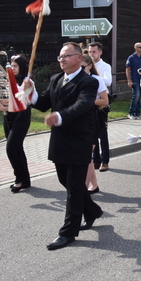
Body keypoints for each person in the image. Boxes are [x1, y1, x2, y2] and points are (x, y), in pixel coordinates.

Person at [23, 42, 102, 250]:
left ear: (78, 58)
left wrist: (60, 116)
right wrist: (31, 93)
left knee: (74, 188)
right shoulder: (56, 79)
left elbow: (83, 105)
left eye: (66, 56)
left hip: (79, 139)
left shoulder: (89, 82)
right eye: (60, 57)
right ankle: (92, 210)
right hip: (60, 139)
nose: (62, 60)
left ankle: (68, 233)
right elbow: (43, 103)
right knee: (64, 180)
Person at [0, 54, 32, 193]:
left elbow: (23, 102)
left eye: (15, 66)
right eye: (11, 66)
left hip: (21, 116)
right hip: (8, 116)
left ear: (22, 67)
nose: (13, 68)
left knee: (11, 148)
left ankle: (19, 179)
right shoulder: (8, 80)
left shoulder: (27, 82)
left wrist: (6, 107)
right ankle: (25, 179)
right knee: (17, 149)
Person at [82, 55, 109, 194]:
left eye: (82, 67)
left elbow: (105, 101)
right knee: (87, 154)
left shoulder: (97, 80)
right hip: (80, 118)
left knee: (86, 153)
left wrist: (88, 101)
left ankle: (85, 186)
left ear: (90, 66)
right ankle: (94, 184)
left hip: (94, 117)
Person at [88, 42, 112, 172]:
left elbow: (108, 81)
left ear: (100, 52)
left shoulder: (104, 66)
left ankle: (105, 161)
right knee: (92, 132)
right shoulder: (86, 66)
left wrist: (94, 78)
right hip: (90, 104)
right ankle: (96, 159)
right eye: (89, 52)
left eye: (94, 52)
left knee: (102, 133)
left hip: (101, 103)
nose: (92, 54)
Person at [125, 42, 141, 119]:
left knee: (140, 96)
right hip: (135, 79)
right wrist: (129, 80)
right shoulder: (131, 57)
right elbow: (127, 69)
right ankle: (131, 112)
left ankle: (137, 112)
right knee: (136, 95)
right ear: (136, 48)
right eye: (140, 47)